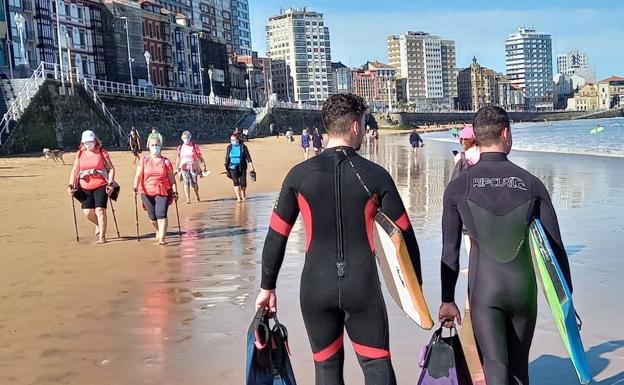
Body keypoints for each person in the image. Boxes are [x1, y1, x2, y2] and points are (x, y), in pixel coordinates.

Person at [255, 94, 422, 385]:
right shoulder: (376, 176)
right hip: (362, 287)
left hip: (315, 288)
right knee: (377, 367)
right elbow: (405, 236)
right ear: (356, 126)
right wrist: (415, 291)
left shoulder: (298, 176)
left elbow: (276, 236)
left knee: (327, 370)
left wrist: (267, 287)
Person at [439, 106, 573, 385]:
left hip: (485, 292)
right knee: (519, 369)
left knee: (495, 367)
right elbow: (555, 248)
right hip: (523, 291)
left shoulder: (458, 187)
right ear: (506, 133)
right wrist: (566, 300)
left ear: (475, 138)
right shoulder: (532, 184)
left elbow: (450, 251)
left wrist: (447, 300)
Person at [67, 130, 116, 244]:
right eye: (85, 143)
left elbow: (111, 169)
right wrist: (70, 184)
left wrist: (111, 182)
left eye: (90, 142)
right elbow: (75, 170)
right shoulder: (80, 154)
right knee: (88, 213)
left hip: (101, 184)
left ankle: (102, 237)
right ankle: (99, 224)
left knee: (100, 210)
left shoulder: (102, 153)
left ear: (95, 141)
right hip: (84, 186)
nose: (88, 145)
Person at [133, 136, 178, 245]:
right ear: (148, 146)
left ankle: (162, 238)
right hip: (146, 191)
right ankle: (158, 229)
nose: (155, 147)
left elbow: (172, 179)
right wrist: (135, 187)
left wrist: (175, 191)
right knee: (153, 217)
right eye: (152, 145)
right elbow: (138, 176)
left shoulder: (166, 161)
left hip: (162, 190)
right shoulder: (144, 160)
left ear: (161, 146)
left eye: (157, 145)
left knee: (161, 214)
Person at [174, 131, 207, 204]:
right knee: (186, 182)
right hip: (184, 167)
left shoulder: (194, 146)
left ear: (190, 137)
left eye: (188, 137)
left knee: (194, 183)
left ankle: (197, 195)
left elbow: (199, 155)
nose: (186, 139)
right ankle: (188, 199)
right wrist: (176, 168)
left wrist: (203, 164)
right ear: (182, 138)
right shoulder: (180, 147)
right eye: (185, 138)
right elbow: (178, 157)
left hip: (193, 167)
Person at [225, 133, 255, 202]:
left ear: (237, 140)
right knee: (236, 182)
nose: (232, 141)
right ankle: (238, 198)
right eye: (231, 140)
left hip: (242, 166)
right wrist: (227, 167)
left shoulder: (243, 147)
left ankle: (243, 194)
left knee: (243, 183)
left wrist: (251, 167)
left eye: (233, 140)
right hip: (232, 167)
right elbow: (227, 158)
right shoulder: (229, 147)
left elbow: (248, 158)